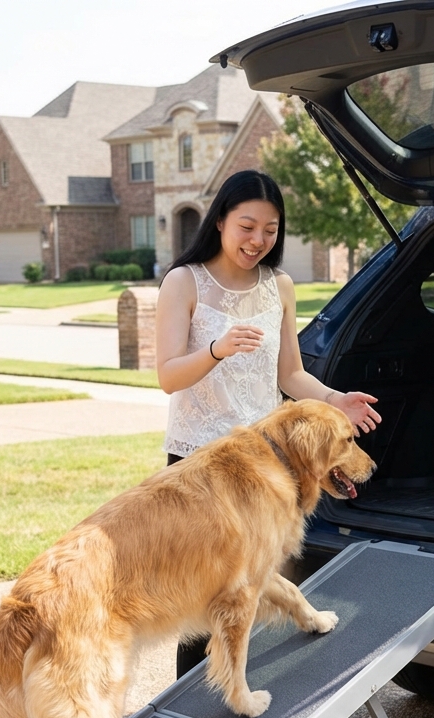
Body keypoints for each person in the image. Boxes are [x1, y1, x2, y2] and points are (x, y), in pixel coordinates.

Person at [155, 169, 381, 683]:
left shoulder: (278, 285)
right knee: (208, 594)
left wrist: (333, 399)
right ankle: (188, 714)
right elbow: (168, 376)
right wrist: (216, 349)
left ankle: (234, 700)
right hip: (200, 464)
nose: (258, 240)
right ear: (220, 222)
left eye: (271, 230)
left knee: (253, 588)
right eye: (247, 226)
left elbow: (291, 374)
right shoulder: (184, 281)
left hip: (265, 465)